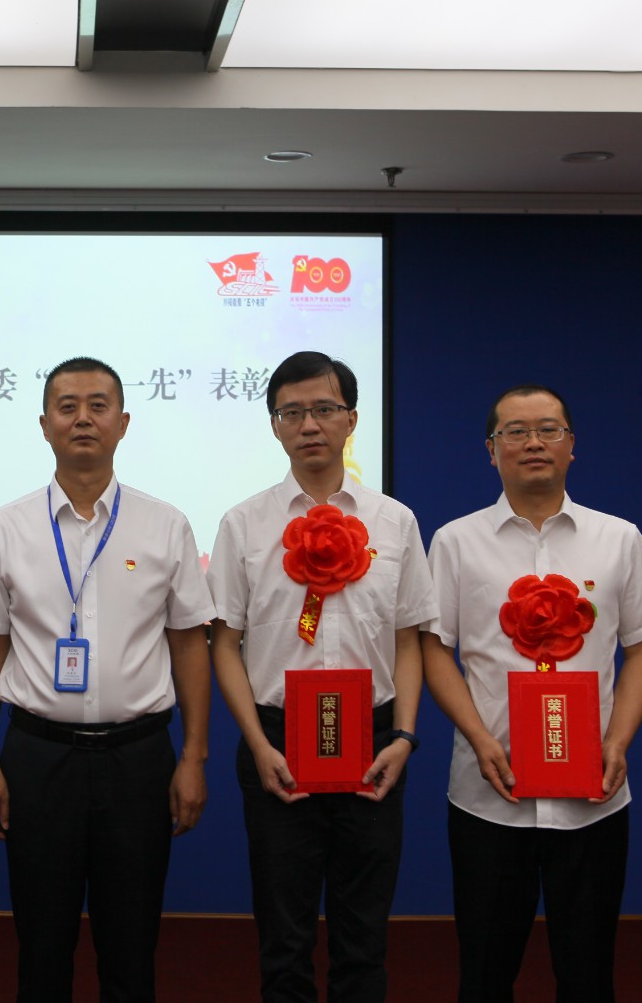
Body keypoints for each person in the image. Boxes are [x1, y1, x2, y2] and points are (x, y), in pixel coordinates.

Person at [0, 356, 215, 1003]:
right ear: (44, 425)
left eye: (99, 405)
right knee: (42, 947)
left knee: (132, 946)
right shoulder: (4, 528)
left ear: (123, 422)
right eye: (67, 406)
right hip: (38, 758)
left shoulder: (165, 524)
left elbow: (189, 645)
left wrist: (193, 757)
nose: (83, 419)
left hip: (139, 759)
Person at [422, 385, 642, 1003]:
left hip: (593, 792)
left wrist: (618, 740)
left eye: (548, 429)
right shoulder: (455, 541)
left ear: (571, 445)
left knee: (588, 973)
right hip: (490, 792)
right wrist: (478, 738)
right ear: (491, 450)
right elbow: (433, 649)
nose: (533, 442)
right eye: (515, 431)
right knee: (484, 973)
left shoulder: (619, 538)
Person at [208, 351, 435, 1002]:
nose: (309, 425)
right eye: (292, 413)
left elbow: (409, 636)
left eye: (325, 409)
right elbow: (224, 642)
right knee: (285, 936)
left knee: (364, 935)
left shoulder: (393, 521)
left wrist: (404, 737)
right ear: (275, 425)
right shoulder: (244, 524)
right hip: (277, 742)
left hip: (374, 740)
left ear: (351, 420)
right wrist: (257, 743)